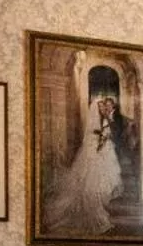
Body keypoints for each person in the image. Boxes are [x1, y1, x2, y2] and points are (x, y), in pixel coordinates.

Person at [44, 94, 133, 234]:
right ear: (96, 108)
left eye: (105, 105)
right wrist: (101, 138)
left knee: (107, 177)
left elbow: (112, 131)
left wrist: (106, 136)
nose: (104, 107)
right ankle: (95, 202)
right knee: (93, 178)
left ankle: (103, 198)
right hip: (96, 150)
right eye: (102, 106)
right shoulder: (95, 120)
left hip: (107, 149)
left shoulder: (107, 117)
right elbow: (92, 134)